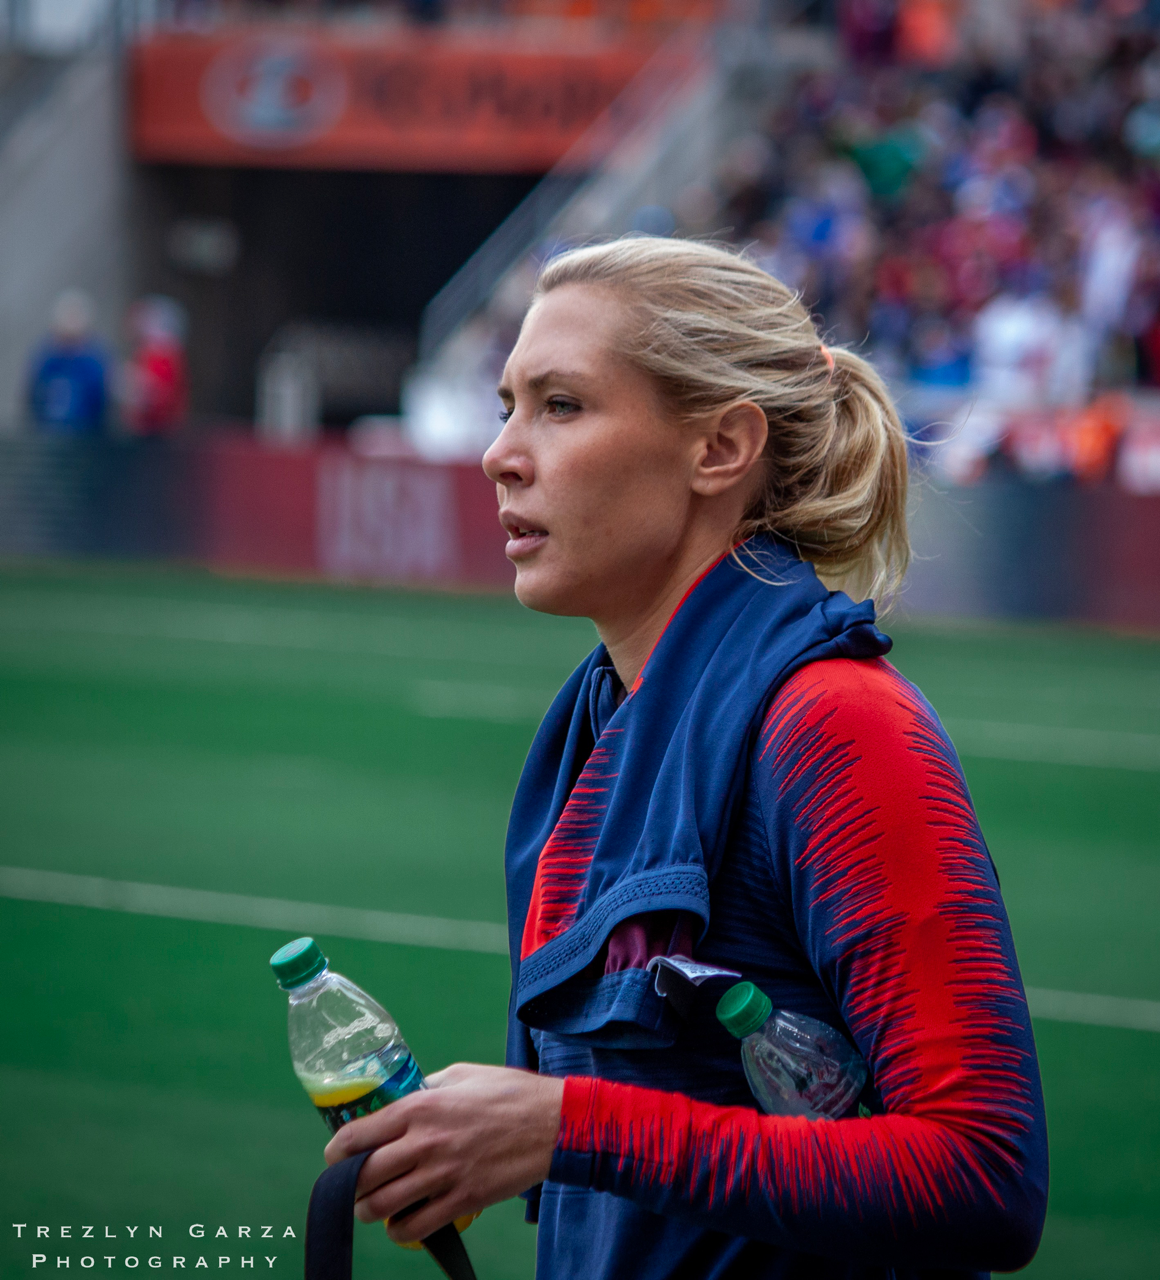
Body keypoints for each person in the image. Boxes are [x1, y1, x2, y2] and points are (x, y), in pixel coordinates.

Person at [324, 237, 1049, 1279]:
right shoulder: (597, 722)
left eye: (560, 405)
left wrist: (571, 1126)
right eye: (505, 405)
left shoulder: (835, 725)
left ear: (719, 448)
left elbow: (982, 1175)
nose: (502, 453)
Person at [27, 289, 109, 435]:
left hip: (86, 437)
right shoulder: (46, 360)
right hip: (49, 435)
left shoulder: (95, 362)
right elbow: (33, 396)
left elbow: (102, 401)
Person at [120, 296, 189, 436]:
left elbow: (158, 397)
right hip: (144, 430)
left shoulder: (164, 355)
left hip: (158, 433)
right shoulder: (145, 353)